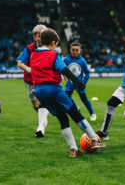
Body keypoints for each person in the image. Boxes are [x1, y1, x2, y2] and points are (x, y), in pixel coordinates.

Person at [30, 28, 105, 157]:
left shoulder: (33, 55)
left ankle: (73, 150)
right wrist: (77, 81)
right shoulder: (53, 55)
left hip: (39, 91)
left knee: (62, 118)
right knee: (74, 113)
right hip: (53, 89)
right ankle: (95, 139)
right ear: (53, 43)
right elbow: (64, 69)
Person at [17, 24, 49, 137]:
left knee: (42, 102)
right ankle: (44, 117)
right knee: (35, 105)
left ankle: (40, 128)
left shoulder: (49, 48)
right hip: (29, 81)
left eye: (44, 36)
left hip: (42, 81)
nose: (41, 38)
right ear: (35, 37)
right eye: (39, 36)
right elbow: (19, 63)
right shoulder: (29, 49)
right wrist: (28, 69)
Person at [63, 42, 96, 121]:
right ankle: (76, 107)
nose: (75, 51)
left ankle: (92, 114)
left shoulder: (82, 61)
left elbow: (87, 72)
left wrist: (84, 82)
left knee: (84, 99)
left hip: (79, 84)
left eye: (76, 50)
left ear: (80, 50)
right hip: (69, 84)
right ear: (70, 50)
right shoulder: (66, 60)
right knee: (66, 98)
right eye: (73, 50)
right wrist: (67, 79)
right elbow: (62, 70)